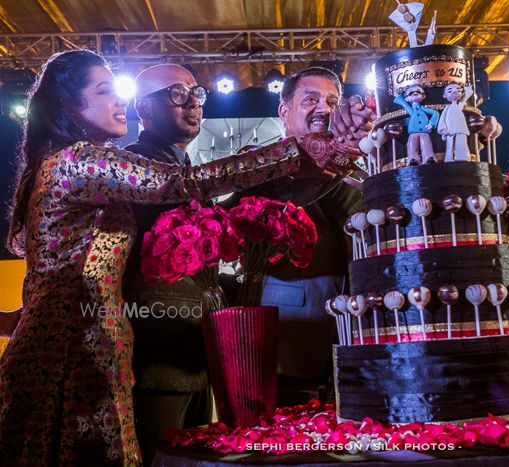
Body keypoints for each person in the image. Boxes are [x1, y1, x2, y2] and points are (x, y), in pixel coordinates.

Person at [0, 50, 353, 465]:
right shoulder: (78, 160)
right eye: (105, 91)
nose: (119, 102)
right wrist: (292, 153)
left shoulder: (71, 163)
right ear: (67, 104)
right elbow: (179, 183)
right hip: (74, 347)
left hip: (90, 337)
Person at [221, 66, 371, 406]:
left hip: (353, 336)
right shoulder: (262, 167)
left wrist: (345, 156)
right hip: (287, 336)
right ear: (284, 111)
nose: (324, 109)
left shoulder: (358, 163)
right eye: (311, 100)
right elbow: (228, 223)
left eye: (332, 101)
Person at [118, 64, 209, 466]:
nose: (192, 103)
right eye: (177, 93)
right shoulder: (135, 165)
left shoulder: (182, 166)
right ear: (143, 108)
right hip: (156, 357)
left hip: (193, 354)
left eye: (196, 93)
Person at [393, 84, 439, 165]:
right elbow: (404, 105)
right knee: (411, 145)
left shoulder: (422, 108)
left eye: (418, 91)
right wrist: (399, 99)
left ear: (423, 96)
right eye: (411, 93)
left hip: (425, 131)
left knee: (426, 144)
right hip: (413, 132)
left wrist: (431, 123)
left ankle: (428, 157)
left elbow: (435, 113)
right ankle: (413, 158)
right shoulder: (411, 110)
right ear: (407, 98)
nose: (414, 93)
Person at [438, 83, 473, 162]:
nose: (454, 92)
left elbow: (465, 98)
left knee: (461, 144)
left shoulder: (459, 105)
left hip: (460, 129)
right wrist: (442, 129)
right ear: (445, 95)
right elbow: (442, 118)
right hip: (450, 130)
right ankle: (449, 158)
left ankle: (463, 158)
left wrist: (468, 90)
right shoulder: (447, 107)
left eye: (458, 90)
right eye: (450, 91)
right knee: (450, 145)